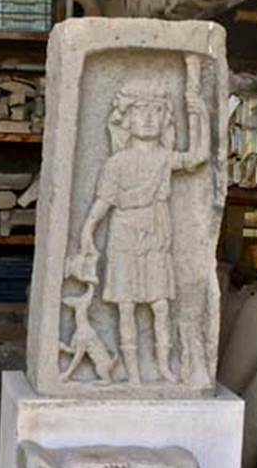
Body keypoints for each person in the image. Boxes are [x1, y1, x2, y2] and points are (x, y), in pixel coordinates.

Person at [66, 57, 209, 384]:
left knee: (160, 305)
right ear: (125, 119)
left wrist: (198, 111)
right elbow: (103, 203)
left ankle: (163, 367)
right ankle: (132, 373)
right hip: (125, 237)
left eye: (155, 111)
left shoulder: (164, 157)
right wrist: (87, 230)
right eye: (139, 111)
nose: (146, 119)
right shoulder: (117, 163)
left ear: (164, 118)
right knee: (126, 306)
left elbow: (197, 157)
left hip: (156, 235)